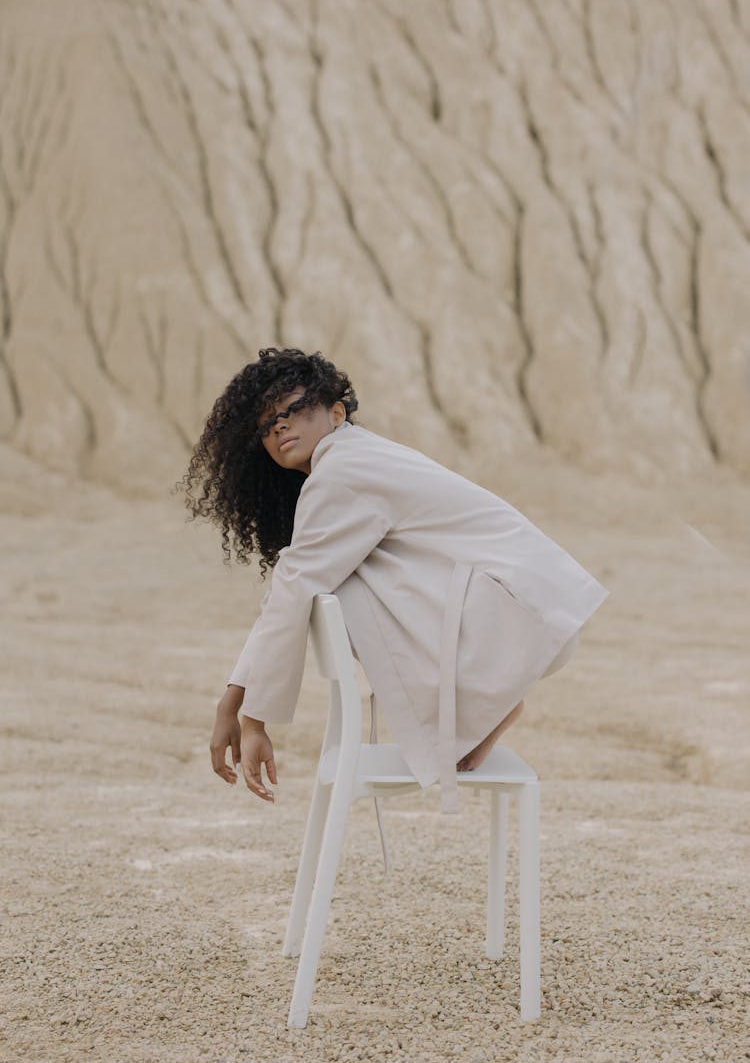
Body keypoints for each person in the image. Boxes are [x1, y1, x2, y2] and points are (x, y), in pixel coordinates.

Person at [181, 347, 608, 813]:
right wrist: (236, 703)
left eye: (293, 410)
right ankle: (474, 705)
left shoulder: (344, 469)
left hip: (517, 620)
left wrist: (251, 717)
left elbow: (293, 591)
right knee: (337, 575)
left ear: (337, 411)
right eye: (266, 425)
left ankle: (477, 703)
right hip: (525, 612)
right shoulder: (347, 465)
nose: (279, 426)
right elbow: (290, 586)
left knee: (342, 581)